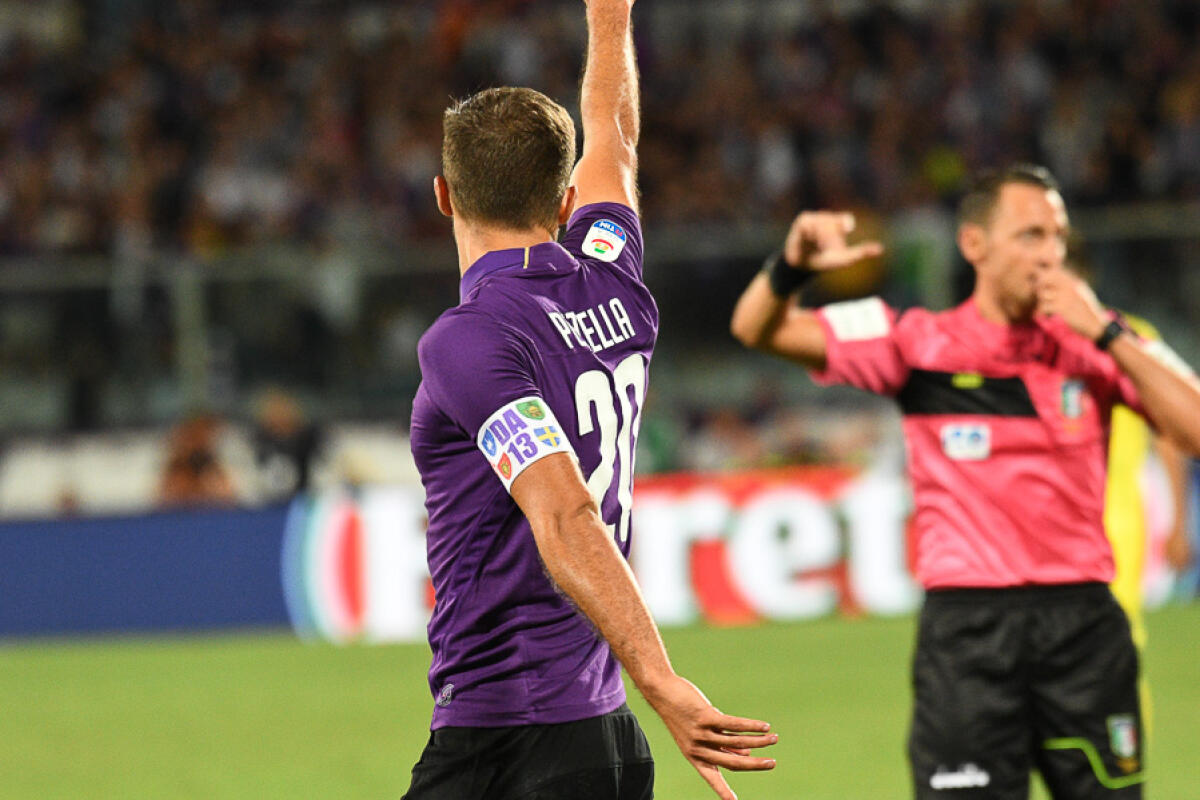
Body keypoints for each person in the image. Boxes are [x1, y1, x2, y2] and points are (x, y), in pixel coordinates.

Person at [730, 164, 1200, 800]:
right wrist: (790, 269)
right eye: (1031, 235)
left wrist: (1108, 333)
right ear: (974, 244)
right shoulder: (917, 342)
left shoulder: (1098, 341)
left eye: (1058, 237)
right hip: (968, 634)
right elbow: (755, 327)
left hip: (1083, 626)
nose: (1051, 255)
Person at [404, 3, 777, 799]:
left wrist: (661, 679)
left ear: (443, 195)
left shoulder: (469, 338)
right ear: (568, 200)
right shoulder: (613, 276)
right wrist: (611, 18)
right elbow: (615, 135)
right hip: (603, 736)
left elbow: (566, 512)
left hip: (509, 738)